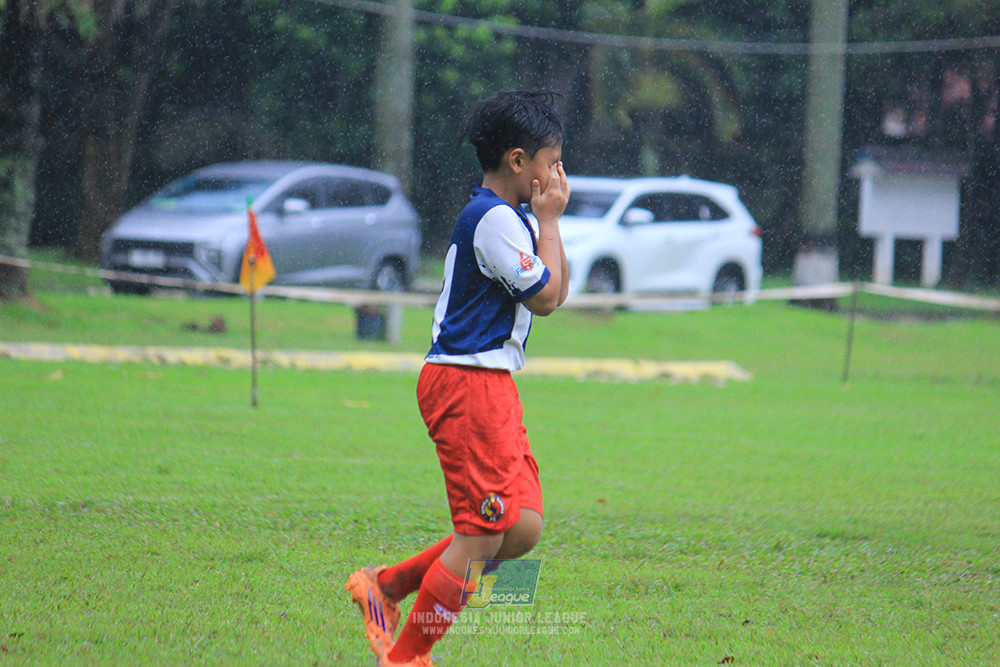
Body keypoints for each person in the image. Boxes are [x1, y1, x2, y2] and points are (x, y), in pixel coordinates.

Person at [345, 90, 571, 667]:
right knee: (480, 536)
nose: (558, 175)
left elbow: (554, 292)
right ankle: (404, 658)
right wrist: (549, 221)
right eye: (552, 161)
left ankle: (386, 586)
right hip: (467, 382)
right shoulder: (494, 219)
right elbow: (545, 298)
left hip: (490, 383)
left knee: (520, 528)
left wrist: (547, 224)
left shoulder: (510, 217)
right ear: (518, 161)